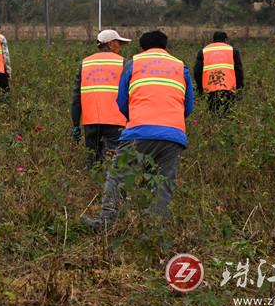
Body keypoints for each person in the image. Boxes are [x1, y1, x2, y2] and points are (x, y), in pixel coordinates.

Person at [83, 30, 194, 232]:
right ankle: (156, 231)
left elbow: (122, 101)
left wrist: (135, 117)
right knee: (163, 184)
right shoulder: (180, 66)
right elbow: (189, 107)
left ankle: (105, 223)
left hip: (139, 131)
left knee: (117, 176)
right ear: (166, 48)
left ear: (141, 48)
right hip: (174, 135)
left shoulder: (134, 64)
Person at [71, 29, 131, 169]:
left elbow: (76, 97)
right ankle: (110, 190)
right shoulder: (124, 63)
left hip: (91, 122)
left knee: (93, 163)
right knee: (115, 164)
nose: (120, 47)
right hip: (115, 122)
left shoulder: (85, 63)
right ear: (110, 44)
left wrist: (75, 124)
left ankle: (92, 188)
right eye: (118, 43)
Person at [193, 31, 244, 115]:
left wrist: (200, 89)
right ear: (226, 40)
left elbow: (197, 72)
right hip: (229, 87)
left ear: (213, 40)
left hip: (210, 88)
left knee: (212, 114)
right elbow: (239, 71)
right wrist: (239, 88)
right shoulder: (233, 51)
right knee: (228, 114)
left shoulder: (204, 51)